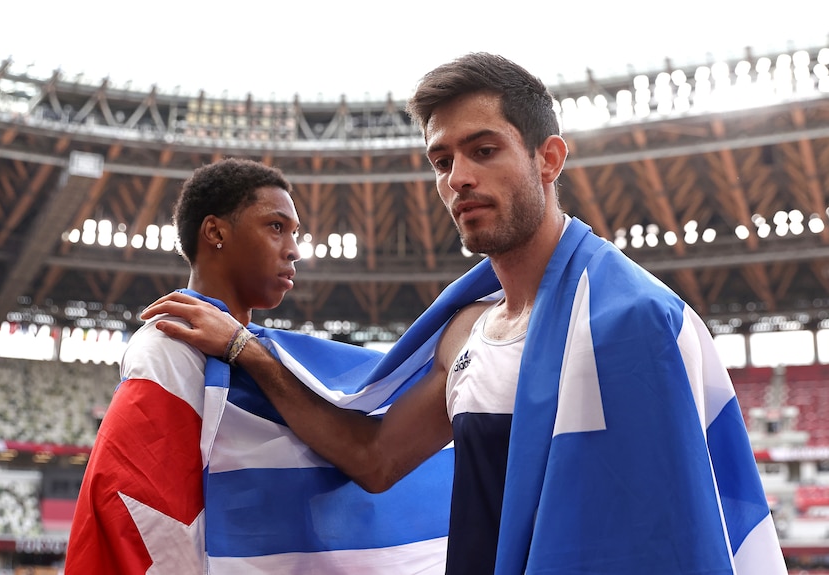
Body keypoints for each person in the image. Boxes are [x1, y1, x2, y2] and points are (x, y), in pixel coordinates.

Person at [141, 54, 787, 574]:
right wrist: (246, 350)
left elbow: (663, 542)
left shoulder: (630, 322)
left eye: (484, 150)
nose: (458, 178)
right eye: (443, 160)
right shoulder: (466, 332)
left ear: (548, 158)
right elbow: (373, 459)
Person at [65, 158, 453, 574]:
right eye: (276, 227)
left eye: (295, 233)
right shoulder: (171, 345)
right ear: (215, 232)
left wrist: (241, 347)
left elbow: (371, 460)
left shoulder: (270, 357)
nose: (294, 250)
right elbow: (144, 517)